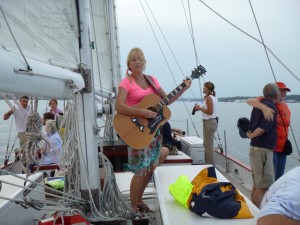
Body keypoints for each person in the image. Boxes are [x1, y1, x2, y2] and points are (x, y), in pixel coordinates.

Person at [115, 47, 191, 213]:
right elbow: (119, 106)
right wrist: (142, 112)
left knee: (150, 167)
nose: (137, 62)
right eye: (134, 59)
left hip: (153, 131)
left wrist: (183, 88)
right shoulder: (126, 82)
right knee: (140, 170)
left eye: (140, 59)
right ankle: (133, 206)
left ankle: (140, 200)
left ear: (144, 63)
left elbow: (167, 101)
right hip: (137, 130)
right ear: (128, 63)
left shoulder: (152, 80)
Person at [247, 82, 291, 181]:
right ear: (276, 92)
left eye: (285, 91)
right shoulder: (267, 102)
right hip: (271, 147)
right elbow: (249, 101)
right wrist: (264, 108)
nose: (283, 93)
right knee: (270, 179)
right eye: (281, 91)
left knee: (279, 177)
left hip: (283, 148)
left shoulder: (286, 107)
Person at [246, 83, 280, 208]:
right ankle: (259, 213)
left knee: (257, 184)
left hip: (256, 149)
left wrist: (250, 136)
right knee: (264, 187)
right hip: (263, 150)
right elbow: (262, 129)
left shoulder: (259, 104)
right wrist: (251, 136)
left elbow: (249, 101)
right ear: (276, 94)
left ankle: (254, 210)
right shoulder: (271, 108)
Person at [193, 81, 218, 165]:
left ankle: (210, 166)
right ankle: (209, 164)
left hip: (209, 123)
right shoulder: (212, 97)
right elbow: (209, 110)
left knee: (208, 146)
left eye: (204, 87)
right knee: (207, 144)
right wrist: (199, 108)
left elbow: (210, 112)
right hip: (210, 122)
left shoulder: (209, 98)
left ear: (207, 88)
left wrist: (199, 108)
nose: (203, 88)